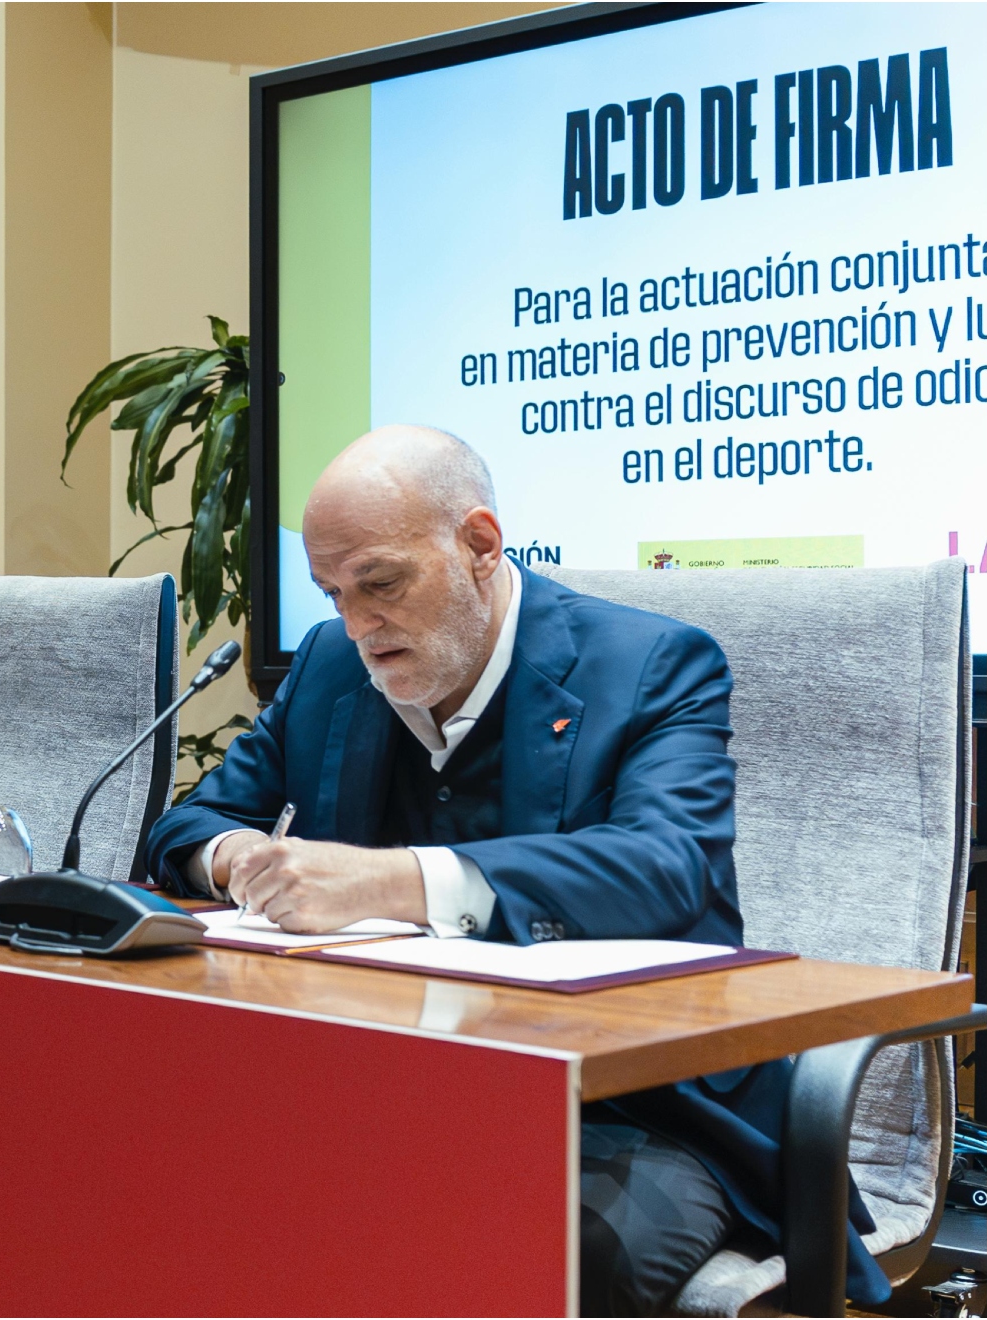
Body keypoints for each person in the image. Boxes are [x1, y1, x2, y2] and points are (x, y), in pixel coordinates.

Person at [144, 425, 888, 1316]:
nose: (357, 624)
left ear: (480, 546)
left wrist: (394, 880)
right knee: (191, 1172)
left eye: (380, 584)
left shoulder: (650, 664)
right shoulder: (333, 670)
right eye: (332, 594)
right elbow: (191, 821)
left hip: (640, 1106)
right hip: (403, 1086)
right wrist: (237, 858)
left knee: (534, 1243)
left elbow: (666, 865)